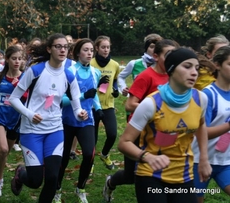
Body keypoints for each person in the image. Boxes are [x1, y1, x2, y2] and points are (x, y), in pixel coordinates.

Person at [118, 47, 212, 203]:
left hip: (184, 175)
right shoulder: (151, 103)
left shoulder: (201, 99)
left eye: (196, 68)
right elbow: (124, 143)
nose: (194, 72)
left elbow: (201, 126)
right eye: (187, 66)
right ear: (172, 70)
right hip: (151, 174)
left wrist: (204, 158)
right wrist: (146, 157)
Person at [9, 33, 88, 203]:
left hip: (55, 131)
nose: (62, 50)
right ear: (49, 49)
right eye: (58, 46)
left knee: (52, 178)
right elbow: (13, 98)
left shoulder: (68, 75)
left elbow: (76, 105)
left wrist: (80, 114)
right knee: (36, 180)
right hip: (31, 131)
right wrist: (30, 114)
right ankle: (21, 174)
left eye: (65, 47)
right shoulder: (35, 71)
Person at [103, 39, 178, 202]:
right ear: (156, 56)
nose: (172, 59)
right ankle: (111, 182)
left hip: (162, 132)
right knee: (131, 176)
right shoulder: (146, 76)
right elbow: (130, 105)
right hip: (139, 131)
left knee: (164, 170)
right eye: (168, 55)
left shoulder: (174, 76)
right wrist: (156, 110)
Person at [55, 38, 103, 203]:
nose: (89, 53)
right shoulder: (69, 71)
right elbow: (61, 100)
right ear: (77, 53)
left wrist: (98, 109)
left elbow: (94, 94)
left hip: (86, 120)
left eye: (91, 50)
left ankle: (81, 188)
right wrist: (83, 96)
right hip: (67, 121)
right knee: (63, 158)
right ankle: (57, 189)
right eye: (86, 50)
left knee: (89, 154)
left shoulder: (95, 72)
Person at [192, 46, 230, 203]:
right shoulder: (208, 94)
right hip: (199, 161)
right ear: (218, 65)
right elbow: (201, 131)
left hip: (225, 162)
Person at [0, 46, 24, 197]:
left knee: (4, 153)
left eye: (19, 59)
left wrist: (17, 86)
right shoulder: (0, 76)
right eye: (13, 58)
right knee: (3, 149)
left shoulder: (24, 77)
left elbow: (28, 96)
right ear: (7, 59)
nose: (17, 61)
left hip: (15, 119)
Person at [90, 35, 120, 170]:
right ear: (97, 48)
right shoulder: (90, 64)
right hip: (92, 106)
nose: (106, 50)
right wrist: (98, 84)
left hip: (108, 105)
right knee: (92, 139)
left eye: (108, 47)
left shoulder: (115, 65)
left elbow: (115, 80)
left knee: (112, 134)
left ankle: (104, 154)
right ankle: (89, 163)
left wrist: (116, 90)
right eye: (103, 47)